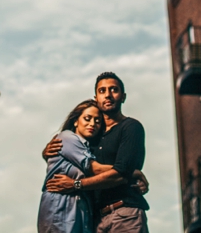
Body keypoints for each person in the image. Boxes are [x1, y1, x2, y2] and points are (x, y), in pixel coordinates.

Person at [44, 72, 149, 233]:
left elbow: (120, 174)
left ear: (123, 96)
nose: (108, 95)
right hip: (95, 221)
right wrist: (46, 153)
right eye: (102, 91)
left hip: (124, 214)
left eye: (114, 90)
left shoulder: (130, 127)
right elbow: (72, 161)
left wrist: (75, 185)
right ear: (96, 98)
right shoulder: (91, 137)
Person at [37, 99, 106, 233]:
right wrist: (132, 172)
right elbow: (95, 168)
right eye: (87, 118)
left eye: (98, 121)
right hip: (60, 206)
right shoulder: (67, 137)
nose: (92, 124)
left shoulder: (88, 147)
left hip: (78, 209)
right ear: (75, 121)